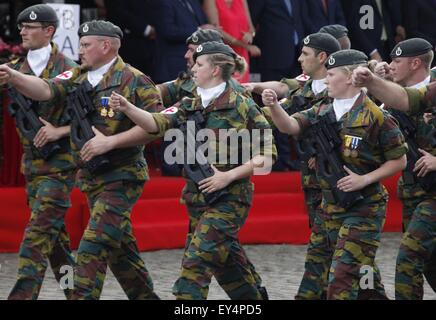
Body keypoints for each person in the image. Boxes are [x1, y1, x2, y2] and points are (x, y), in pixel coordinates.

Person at [0, 20, 162, 300]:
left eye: (86, 45)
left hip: (121, 176)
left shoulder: (134, 79)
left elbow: (156, 126)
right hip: (91, 177)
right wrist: (14, 76)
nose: (80, 49)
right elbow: (47, 89)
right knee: (122, 254)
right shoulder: (78, 74)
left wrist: (111, 141)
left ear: (106, 46)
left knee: (93, 246)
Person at [109, 41, 276, 300]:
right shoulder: (189, 103)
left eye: (199, 65)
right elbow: (156, 123)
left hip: (230, 200)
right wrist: (128, 107)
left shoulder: (242, 105)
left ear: (216, 70)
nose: (193, 69)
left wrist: (227, 176)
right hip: (197, 200)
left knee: (195, 265)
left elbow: (266, 156)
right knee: (229, 267)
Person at [263, 49, 407, 299]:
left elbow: (399, 160)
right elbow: (290, 126)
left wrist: (365, 179)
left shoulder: (376, 116)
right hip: (328, 207)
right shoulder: (321, 110)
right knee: (317, 274)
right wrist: (274, 106)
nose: (326, 80)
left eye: (331, 74)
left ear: (350, 77)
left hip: (363, 208)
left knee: (342, 278)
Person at [5, 4, 77, 300]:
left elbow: (94, 120)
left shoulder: (70, 68)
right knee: (56, 244)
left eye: (30, 27)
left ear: (49, 31)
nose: (22, 31)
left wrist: (60, 131)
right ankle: (77, 294)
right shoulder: (13, 68)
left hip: (60, 166)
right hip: (32, 168)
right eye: (21, 26)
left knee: (36, 238)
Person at [353, 50, 436, 300]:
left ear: (416, 63)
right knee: (430, 263)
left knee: (408, 258)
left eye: (397, 61)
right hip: (413, 192)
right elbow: (376, 123)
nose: (391, 66)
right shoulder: (398, 97)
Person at [202, 0, 260, 83]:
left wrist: (250, 35)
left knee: (241, 91)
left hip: (242, 57)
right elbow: (216, 31)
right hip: (222, 55)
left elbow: (251, 28)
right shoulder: (210, 1)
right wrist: (246, 46)